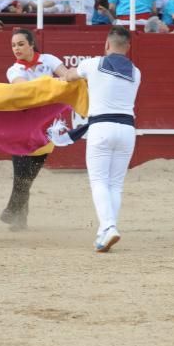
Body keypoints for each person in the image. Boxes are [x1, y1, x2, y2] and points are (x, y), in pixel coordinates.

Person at [59, 26, 141, 253]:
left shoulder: (92, 64)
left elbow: (68, 77)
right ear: (128, 48)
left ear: (106, 45)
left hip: (101, 128)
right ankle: (103, 233)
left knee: (99, 181)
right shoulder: (136, 72)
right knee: (115, 184)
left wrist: (59, 70)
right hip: (126, 130)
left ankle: (109, 226)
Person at [1, 28, 68, 231]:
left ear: (31, 44)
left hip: (46, 129)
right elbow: (25, 89)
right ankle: (18, 217)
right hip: (21, 128)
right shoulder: (14, 70)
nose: (17, 49)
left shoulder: (48, 60)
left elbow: (66, 76)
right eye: (13, 45)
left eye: (21, 44)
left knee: (29, 174)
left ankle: (16, 213)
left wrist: (60, 81)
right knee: (22, 173)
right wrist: (53, 84)